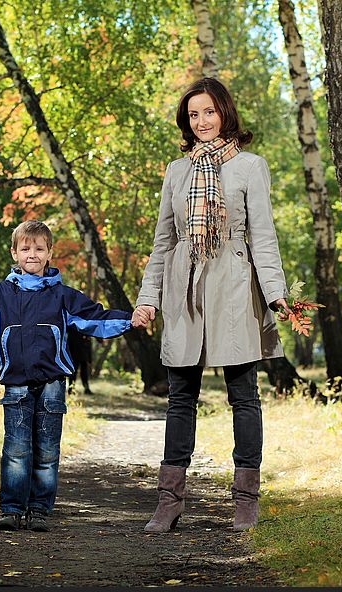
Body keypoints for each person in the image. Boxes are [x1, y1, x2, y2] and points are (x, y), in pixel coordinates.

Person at [132, 78, 290, 532]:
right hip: (185, 288)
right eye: (193, 115)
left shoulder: (250, 166)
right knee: (180, 397)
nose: (201, 122)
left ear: (225, 113)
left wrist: (277, 294)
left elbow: (263, 236)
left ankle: (245, 502)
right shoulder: (176, 172)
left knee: (244, 395)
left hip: (235, 288)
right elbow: (163, 243)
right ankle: (169, 501)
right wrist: (148, 300)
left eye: (209, 112)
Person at [0, 220, 132, 531]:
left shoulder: (64, 297)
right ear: (15, 252)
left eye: (39, 248)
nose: (32, 254)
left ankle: (40, 509)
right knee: (16, 448)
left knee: (47, 450)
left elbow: (95, 318)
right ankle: (12, 509)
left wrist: (131, 319)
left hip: (53, 384)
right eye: (25, 248)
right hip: (15, 383)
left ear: (49, 253)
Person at [66, 325, 93, 394]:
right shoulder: (71, 324)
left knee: (84, 372)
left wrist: (89, 358)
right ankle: (71, 389)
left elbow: (89, 340)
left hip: (83, 352)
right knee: (73, 372)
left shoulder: (86, 324)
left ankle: (86, 388)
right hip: (74, 352)